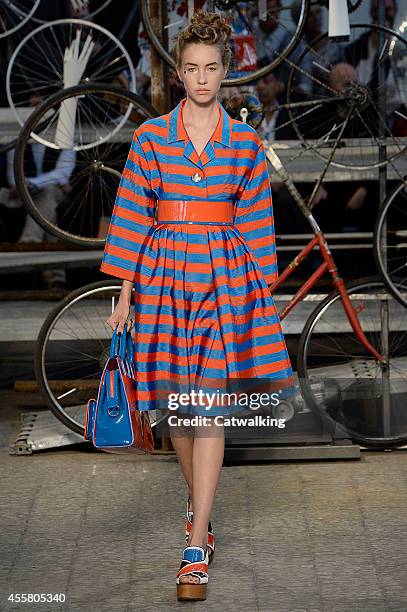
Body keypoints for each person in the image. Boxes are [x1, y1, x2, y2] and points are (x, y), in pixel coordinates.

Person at [100, 10, 294, 602]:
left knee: (206, 400)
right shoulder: (152, 138)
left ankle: (196, 542)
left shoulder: (243, 144)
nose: (202, 78)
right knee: (174, 406)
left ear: (223, 70)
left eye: (211, 68)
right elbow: (133, 215)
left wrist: (260, 293)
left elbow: (258, 218)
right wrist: (124, 292)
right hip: (161, 274)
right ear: (178, 73)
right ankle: (200, 508)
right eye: (192, 69)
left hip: (225, 278)